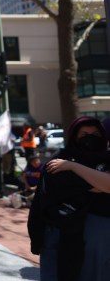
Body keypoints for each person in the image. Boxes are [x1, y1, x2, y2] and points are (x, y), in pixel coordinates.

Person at [30, 116, 110, 281]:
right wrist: (95, 183)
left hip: (98, 240)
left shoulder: (105, 159)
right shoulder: (59, 158)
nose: (90, 137)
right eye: (84, 133)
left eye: (95, 133)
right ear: (74, 136)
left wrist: (72, 167)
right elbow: (59, 186)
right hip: (58, 233)